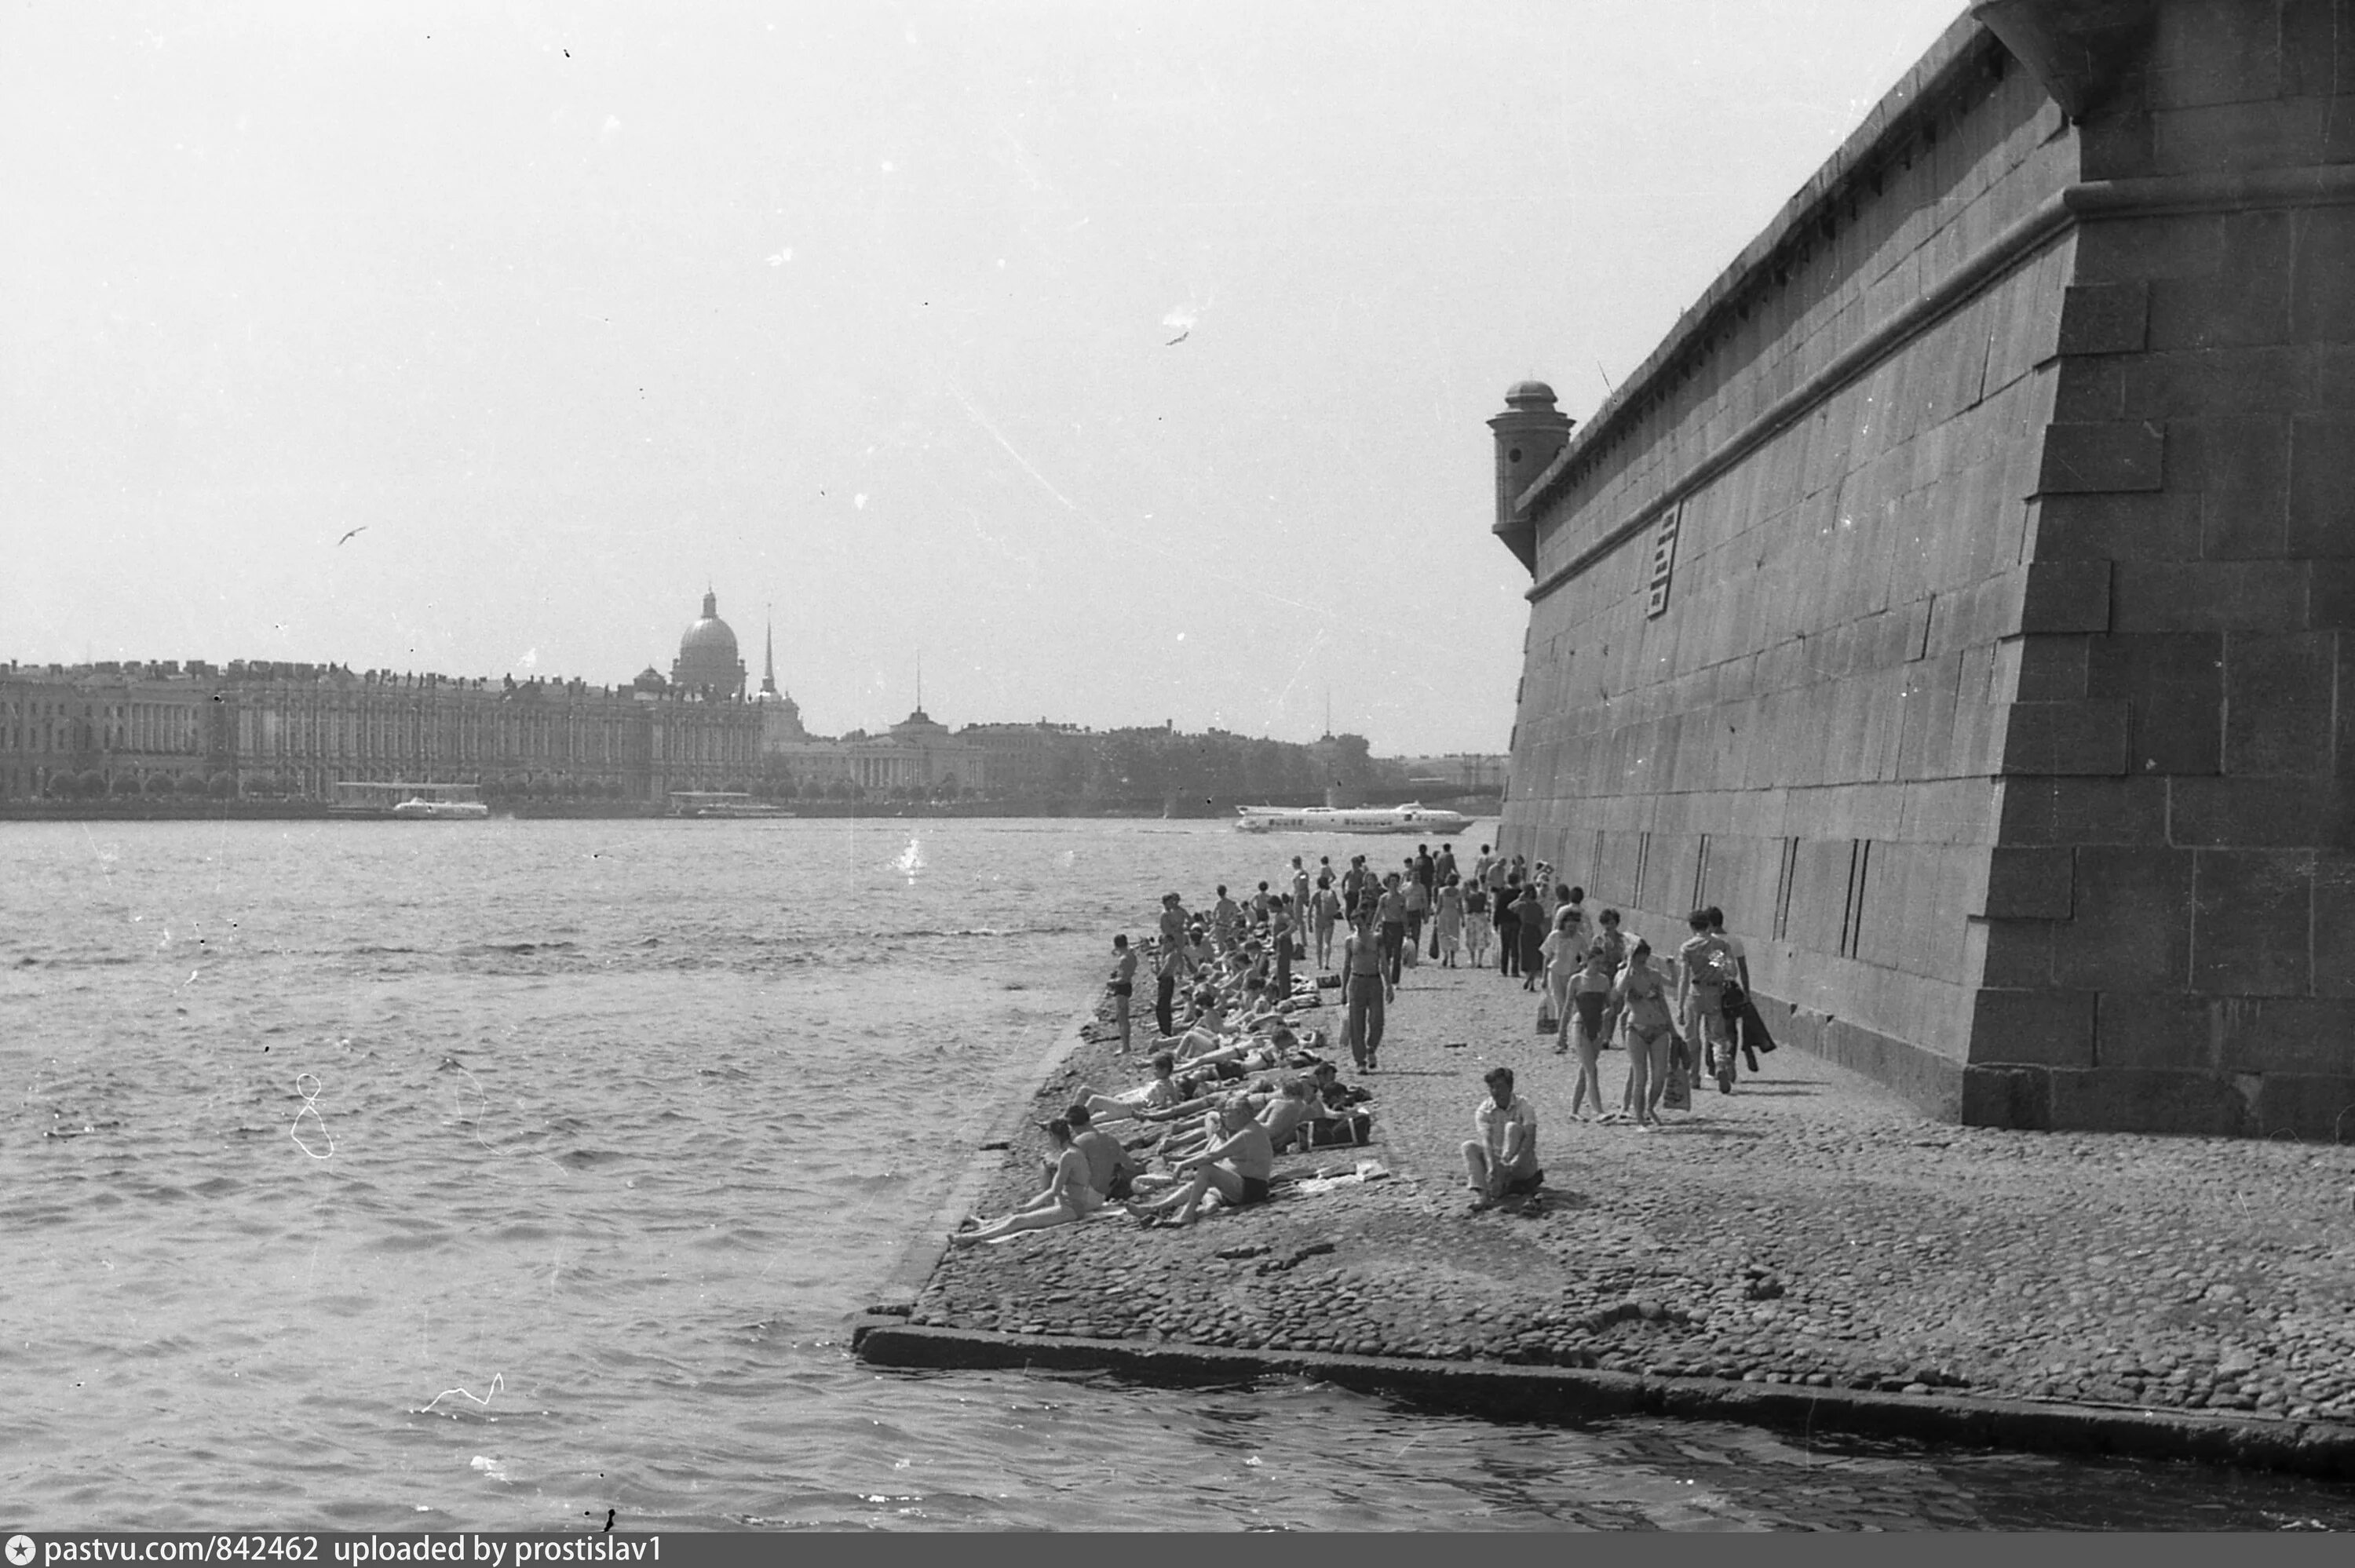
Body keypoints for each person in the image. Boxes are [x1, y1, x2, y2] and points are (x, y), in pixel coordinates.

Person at [1126, 1096, 1276, 1227]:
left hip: (1251, 1188)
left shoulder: (1247, 1134)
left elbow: (1212, 1156)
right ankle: (1157, 1208)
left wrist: (1183, 1164)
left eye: (1227, 1114)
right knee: (1196, 1186)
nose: (1225, 1117)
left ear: (1240, 1114)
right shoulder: (1248, 1129)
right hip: (1242, 1186)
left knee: (1206, 1169)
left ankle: (1188, 1214)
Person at [952, 1118, 1102, 1245]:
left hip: (1072, 1209)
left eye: (1049, 1137)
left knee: (1018, 1220)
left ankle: (971, 1238)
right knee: (1016, 1216)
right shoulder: (1075, 1150)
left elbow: (1054, 1190)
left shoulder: (1068, 1157)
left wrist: (1029, 1206)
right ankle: (985, 1226)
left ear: (1053, 1136)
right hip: (1069, 1203)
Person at [1612, 939, 1678, 1128]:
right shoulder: (1624, 975)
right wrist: (1630, 967)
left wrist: (1672, 1029)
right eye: (1638, 959)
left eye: (1644, 959)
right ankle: (1640, 1119)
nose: (1642, 963)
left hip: (1659, 1027)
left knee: (1660, 1076)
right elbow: (1618, 992)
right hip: (1636, 1028)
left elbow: (1667, 994)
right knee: (1641, 1076)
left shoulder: (1653, 976)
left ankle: (1650, 1107)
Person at [1462, 1067, 1542, 1212]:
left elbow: (1530, 1137)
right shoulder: (1484, 1110)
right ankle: (1483, 1194)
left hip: (1521, 1162)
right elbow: (1486, 1140)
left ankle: (1503, 1178)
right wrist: (1492, 1166)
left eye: (1499, 1087)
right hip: (1499, 1163)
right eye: (1492, 1087)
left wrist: (1515, 1161)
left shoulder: (1524, 1105)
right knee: (1469, 1146)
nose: (1495, 1092)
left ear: (1510, 1087)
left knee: (1512, 1128)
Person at [1677, 909, 1740, 1093]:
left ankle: (1694, 1076)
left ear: (1691, 926)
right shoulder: (1718, 945)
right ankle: (1720, 1063)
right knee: (1717, 1034)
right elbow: (1728, 971)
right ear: (1709, 925)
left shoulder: (1688, 947)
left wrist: (1680, 1006)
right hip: (1713, 991)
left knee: (1692, 1036)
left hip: (1695, 991)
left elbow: (1684, 977)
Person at [1707, 906, 1761, 1074]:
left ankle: (1713, 1066)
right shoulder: (1735, 940)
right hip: (1732, 988)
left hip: (1713, 988)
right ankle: (1730, 1060)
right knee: (1731, 1028)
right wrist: (1747, 992)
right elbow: (1743, 969)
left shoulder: (1709, 941)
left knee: (1712, 1027)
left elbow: (1712, 968)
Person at [1340, 907, 1387, 1072]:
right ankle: (1360, 1061)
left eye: (1358, 920)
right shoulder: (1350, 941)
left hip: (1374, 980)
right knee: (1356, 1023)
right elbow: (1346, 965)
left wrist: (1389, 986)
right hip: (1356, 980)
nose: (1356, 924)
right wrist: (1343, 990)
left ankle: (1371, 1048)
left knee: (1377, 1020)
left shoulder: (1376, 938)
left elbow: (1384, 962)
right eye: (1353, 921)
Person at [1065, 1103, 1141, 1200]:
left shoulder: (1079, 1142)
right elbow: (1130, 1165)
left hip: (1089, 1195)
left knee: (1048, 1167)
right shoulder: (1110, 1139)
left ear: (1072, 1126)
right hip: (1107, 1191)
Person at [1539, 906, 1582, 1049]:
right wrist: (1544, 977)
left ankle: (1570, 1035)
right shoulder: (1554, 936)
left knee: (1571, 1006)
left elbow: (1587, 955)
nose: (1572, 928)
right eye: (1570, 925)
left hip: (1572, 973)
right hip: (1555, 973)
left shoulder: (1579, 938)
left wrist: (1582, 967)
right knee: (1560, 1004)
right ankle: (1561, 1038)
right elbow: (1547, 956)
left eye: (1575, 925)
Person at [1376, 873, 1409, 987]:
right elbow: (1378, 912)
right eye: (1392, 881)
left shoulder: (1401, 898)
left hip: (1398, 926)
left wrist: (1407, 929)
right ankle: (1385, 978)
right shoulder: (1384, 898)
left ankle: (1396, 981)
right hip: (1387, 926)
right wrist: (1373, 927)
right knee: (1386, 954)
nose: (1394, 883)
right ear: (1388, 883)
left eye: (1396, 881)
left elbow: (1404, 914)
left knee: (1397, 955)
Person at [1107, 934, 1138, 1052]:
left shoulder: (1123, 959)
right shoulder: (1131, 956)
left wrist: (1111, 982)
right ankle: (1126, 1045)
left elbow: (1123, 979)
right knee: (1123, 1017)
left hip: (1122, 987)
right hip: (1127, 986)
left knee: (1122, 1018)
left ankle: (1126, 1046)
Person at [1513, 882, 1546, 989]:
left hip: (1525, 930)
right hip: (1536, 931)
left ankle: (1529, 978)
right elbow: (1542, 921)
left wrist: (1519, 899)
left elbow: (1510, 907)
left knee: (1526, 955)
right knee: (1535, 956)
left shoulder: (1522, 905)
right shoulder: (1539, 907)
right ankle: (1531, 980)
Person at [1311, 875, 1342, 969]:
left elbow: (1310, 910)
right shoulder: (1332, 893)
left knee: (1319, 943)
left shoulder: (1316, 894)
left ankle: (1319, 964)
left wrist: (1309, 923)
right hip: (1329, 920)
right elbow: (1338, 906)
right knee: (1327, 943)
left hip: (1318, 920)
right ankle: (1327, 963)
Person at [1495, 873, 1523, 977]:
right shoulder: (1520, 893)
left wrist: (1495, 922)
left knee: (1505, 946)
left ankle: (1504, 969)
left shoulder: (1503, 893)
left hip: (1505, 921)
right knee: (1515, 946)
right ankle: (1515, 970)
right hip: (1516, 921)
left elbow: (1498, 908)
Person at [1433, 873, 1464, 968]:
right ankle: (1452, 959)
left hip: (1444, 913)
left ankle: (1445, 955)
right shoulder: (1458, 892)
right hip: (1454, 914)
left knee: (1444, 934)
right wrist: (1463, 918)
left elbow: (1439, 905)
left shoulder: (1442, 891)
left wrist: (1435, 916)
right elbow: (1460, 907)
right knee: (1454, 935)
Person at [1464, 876, 1492, 968]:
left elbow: (1466, 908)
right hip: (1481, 916)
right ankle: (1480, 960)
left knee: (1471, 939)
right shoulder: (1482, 895)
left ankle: (1472, 961)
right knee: (1481, 939)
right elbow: (1487, 904)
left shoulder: (1468, 896)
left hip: (1471, 917)